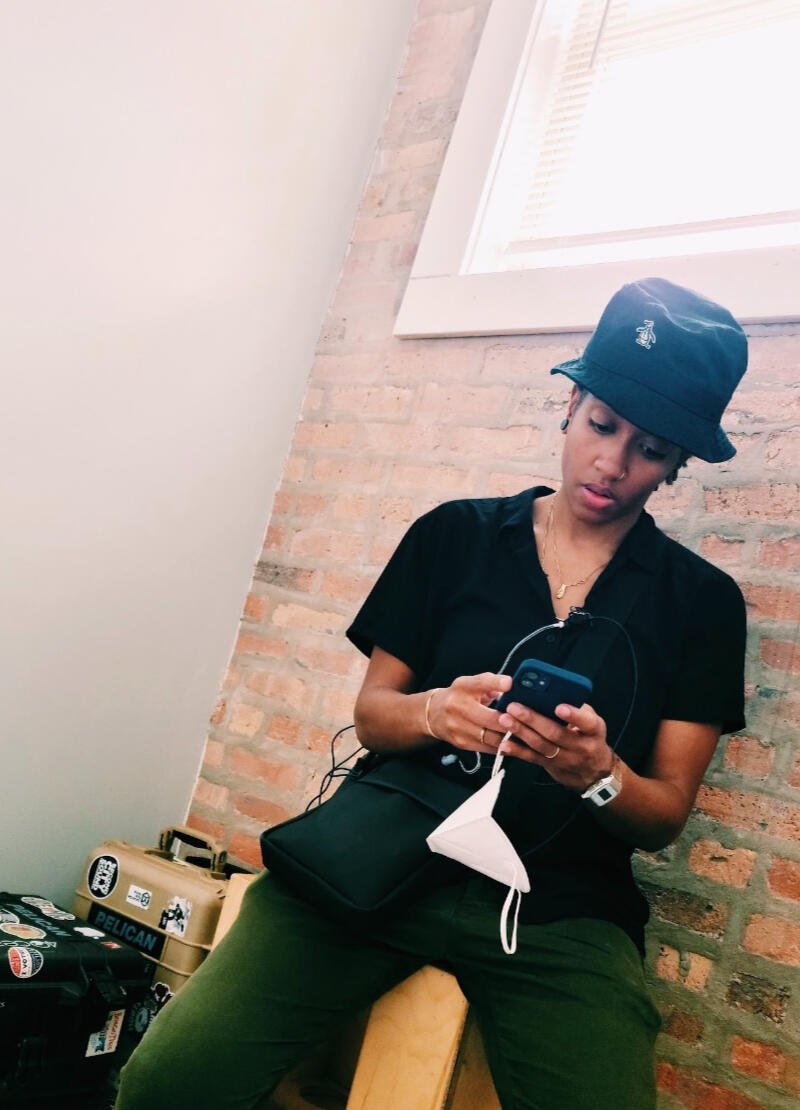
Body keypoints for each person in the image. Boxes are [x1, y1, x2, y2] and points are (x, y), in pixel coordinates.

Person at [115, 277, 748, 1110]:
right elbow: (373, 716)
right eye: (603, 425)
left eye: (652, 449)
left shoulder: (701, 603)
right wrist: (432, 712)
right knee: (166, 1084)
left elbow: (662, 814)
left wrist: (596, 774)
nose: (614, 463)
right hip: (379, 854)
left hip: (556, 906)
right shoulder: (454, 536)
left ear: (675, 466)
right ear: (570, 406)